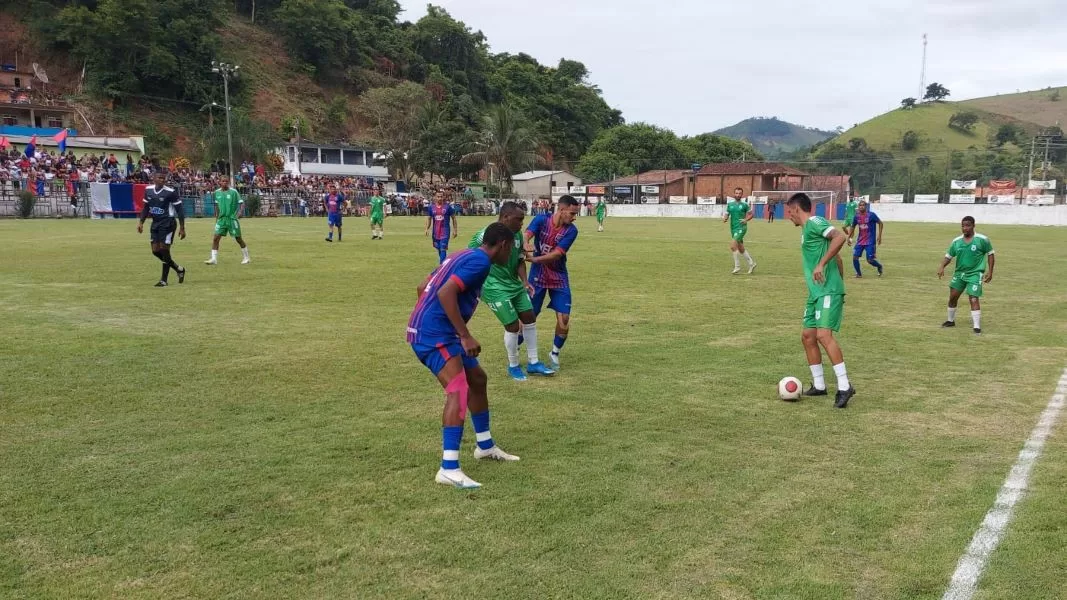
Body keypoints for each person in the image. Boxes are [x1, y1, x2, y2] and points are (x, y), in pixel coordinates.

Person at [407, 222, 520, 489]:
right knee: (458, 390)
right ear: (503, 245)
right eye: (512, 248)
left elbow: (423, 286)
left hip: (441, 332)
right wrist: (464, 335)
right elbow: (445, 292)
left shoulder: (462, 254)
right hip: (435, 336)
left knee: (477, 379)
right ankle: (448, 468)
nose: (513, 254)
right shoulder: (480, 263)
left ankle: (485, 446)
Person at [469, 201, 556, 381]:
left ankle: (533, 363)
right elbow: (470, 256)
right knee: (513, 326)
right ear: (506, 217)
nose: (521, 224)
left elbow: (519, 260)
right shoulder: (485, 235)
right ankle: (514, 365)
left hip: (514, 284)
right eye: (519, 219)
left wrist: (524, 281)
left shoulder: (516, 235)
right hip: (493, 287)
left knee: (529, 317)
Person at [785, 193, 855, 409]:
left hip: (827, 291)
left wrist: (822, 267)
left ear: (797, 209)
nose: (789, 217)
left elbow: (839, 237)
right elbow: (838, 256)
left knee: (824, 335)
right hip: (816, 293)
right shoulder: (807, 231)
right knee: (808, 336)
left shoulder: (815, 222)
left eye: (790, 212)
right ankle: (819, 384)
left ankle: (844, 386)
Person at [525, 195, 580, 371]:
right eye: (572, 213)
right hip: (538, 276)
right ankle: (515, 348)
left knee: (564, 318)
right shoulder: (542, 219)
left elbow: (557, 254)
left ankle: (554, 353)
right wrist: (526, 243)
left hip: (558, 275)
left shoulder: (571, 230)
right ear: (561, 209)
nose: (574, 217)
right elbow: (527, 233)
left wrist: (534, 259)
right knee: (528, 316)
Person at [938, 216, 994, 335]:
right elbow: (949, 256)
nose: (965, 228)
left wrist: (990, 271)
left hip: (975, 274)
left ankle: (977, 327)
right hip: (959, 274)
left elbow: (990, 254)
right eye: (963, 226)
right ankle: (950, 321)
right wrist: (942, 266)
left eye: (968, 225)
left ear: (973, 225)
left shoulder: (982, 239)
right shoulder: (956, 241)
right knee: (953, 297)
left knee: (973, 298)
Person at [137, 171, 186, 287]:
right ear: (154, 178)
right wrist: (141, 222)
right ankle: (179, 269)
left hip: (168, 223)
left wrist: (182, 228)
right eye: (160, 178)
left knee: (164, 249)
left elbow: (179, 210)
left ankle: (164, 280)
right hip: (155, 223)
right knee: (155, 251)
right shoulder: (148, 190)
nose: (162, 180)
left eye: (164, 178)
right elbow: (146, 208)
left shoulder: (170, 192)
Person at [204, 176, 251, 265]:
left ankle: (246, 257)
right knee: (215, 238)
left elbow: (241, 203)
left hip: (232, 219)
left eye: (226, 181)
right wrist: (217, 219)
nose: (225, 183)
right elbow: (217, 206)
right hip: (221, 219)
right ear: (220, 182)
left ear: (228, 182)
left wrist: (239, 213)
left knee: (238, 238)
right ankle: (214, 259)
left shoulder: (234, 192)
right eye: (223, 181)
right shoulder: (216, 193)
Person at [845, 200, 883, 277]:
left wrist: (879, 236)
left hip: (870, 241)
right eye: (860, 205)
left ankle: (879, 266)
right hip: (860, 241)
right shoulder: (856, 216)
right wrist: (848, 237)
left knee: (870, 260)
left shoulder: (871, 215)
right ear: (858, 207)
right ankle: (859, 274)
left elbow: (880, 223)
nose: (861, 206)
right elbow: (852, 227)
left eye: (863, 205)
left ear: (866, 206)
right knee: (855, 257)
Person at [723, 187, 756, 274]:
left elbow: (751, 214)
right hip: (733, 228)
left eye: (739, 193)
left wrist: (746, 220)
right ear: (734, 194)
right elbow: (727, 214)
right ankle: (751, 263)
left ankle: (737, 267)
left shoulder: (744, 205)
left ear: (742, 195)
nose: (738, 195)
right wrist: (725, 218)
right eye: (736, 193)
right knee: (741, 248)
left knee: (733, 246)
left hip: (741, 227)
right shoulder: (730, 205)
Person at [425, 190, 458, 263]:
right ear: (435, 198)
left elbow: (454, 218)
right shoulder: (431, 208)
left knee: (443, 248)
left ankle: (441, 267)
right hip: (436, 233)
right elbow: (429, 219)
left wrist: (455, 230)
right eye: (438, 196)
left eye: (441, 196)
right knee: (439, 249)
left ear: (444, 197)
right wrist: (427, 229)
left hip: (445, 232)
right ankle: (443, 263)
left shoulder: (448, 207)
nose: (440, 198)